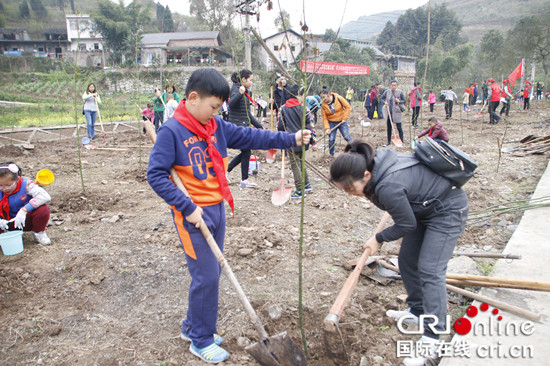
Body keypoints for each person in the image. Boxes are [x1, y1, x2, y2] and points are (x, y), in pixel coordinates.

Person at [147, 68, 311, 364]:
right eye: (212, 106)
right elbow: (156, 175)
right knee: (207, 276)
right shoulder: (171, 132)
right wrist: (186, 207)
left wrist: (291, 139)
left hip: (216, 209)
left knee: (211, 273)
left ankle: (191, 326)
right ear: (193, 98)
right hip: (192, 215)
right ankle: (200, 339)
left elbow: (251, 135)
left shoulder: (216, 127)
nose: (215, 113)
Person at [329, 139, 468, 366]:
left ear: (365, 175)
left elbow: (406, 225)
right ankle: (417, 311)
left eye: (350, 188)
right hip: (423, 208)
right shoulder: (376, 167)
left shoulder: (387, 187)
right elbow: (407, 217)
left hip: (446, 210)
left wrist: (379, 238)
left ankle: (433, 339)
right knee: (407, 261)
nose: (349, 194)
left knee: (430, 270)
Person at [277, 85, 317, 198]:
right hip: (304, 140)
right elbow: (311, 125)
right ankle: (307, 185)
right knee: (301, 162)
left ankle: (300, 190)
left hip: (291, 140)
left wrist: (281, 140)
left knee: (295, 165)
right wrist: (313, 142)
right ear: (298, 95)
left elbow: (280, 125)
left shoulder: (283, 108)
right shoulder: (304, 108)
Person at [226, 69, 264, 188]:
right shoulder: (236, 89)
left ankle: (227, 171)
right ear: (243, 80)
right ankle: (244, 179)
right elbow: (230, 105)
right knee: (246, 151)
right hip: (236, 127)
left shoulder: (246, 92)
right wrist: (240, 93)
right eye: (250, 80)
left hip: (243, 126)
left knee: (245, 152)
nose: (252, 82)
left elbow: (248, 114)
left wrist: (259, 125)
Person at [0, 162, 52, 245]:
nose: (4, 188)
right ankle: (3, 237)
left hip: (24, 220)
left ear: (17, 179)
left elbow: (45, 196)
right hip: (6, 222)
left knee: (43, 209)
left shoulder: (26, 185)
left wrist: (24, 210)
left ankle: (39, 232)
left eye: (8, 185)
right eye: (1, 185)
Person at [319, 88, 352, 156]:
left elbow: (348, 107)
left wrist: (344, 118)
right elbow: (324, 118)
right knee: (331, 140)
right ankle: (331, 155)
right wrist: (327, 128)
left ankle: (356, 150)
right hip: (332, 123)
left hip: (342, 121)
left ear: (328, 95)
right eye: (321, 98)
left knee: (347, 137)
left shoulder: (338, 98)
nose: (323, 99)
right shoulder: (323, 105)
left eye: (324, 97)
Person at [379, 80, 406, 146]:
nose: (393, 87)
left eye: (395, 85)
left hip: (397, 112)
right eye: (392, 85)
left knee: (399, 127)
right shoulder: (387, 92)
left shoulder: (400, 92)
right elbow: (381, 98)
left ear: (397, 86)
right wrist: (384, 102)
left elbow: (404, 100)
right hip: (389, 112)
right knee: (389, 128)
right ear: (390, 85)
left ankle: (401, 141)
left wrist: (399, 101)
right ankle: (388, 142)